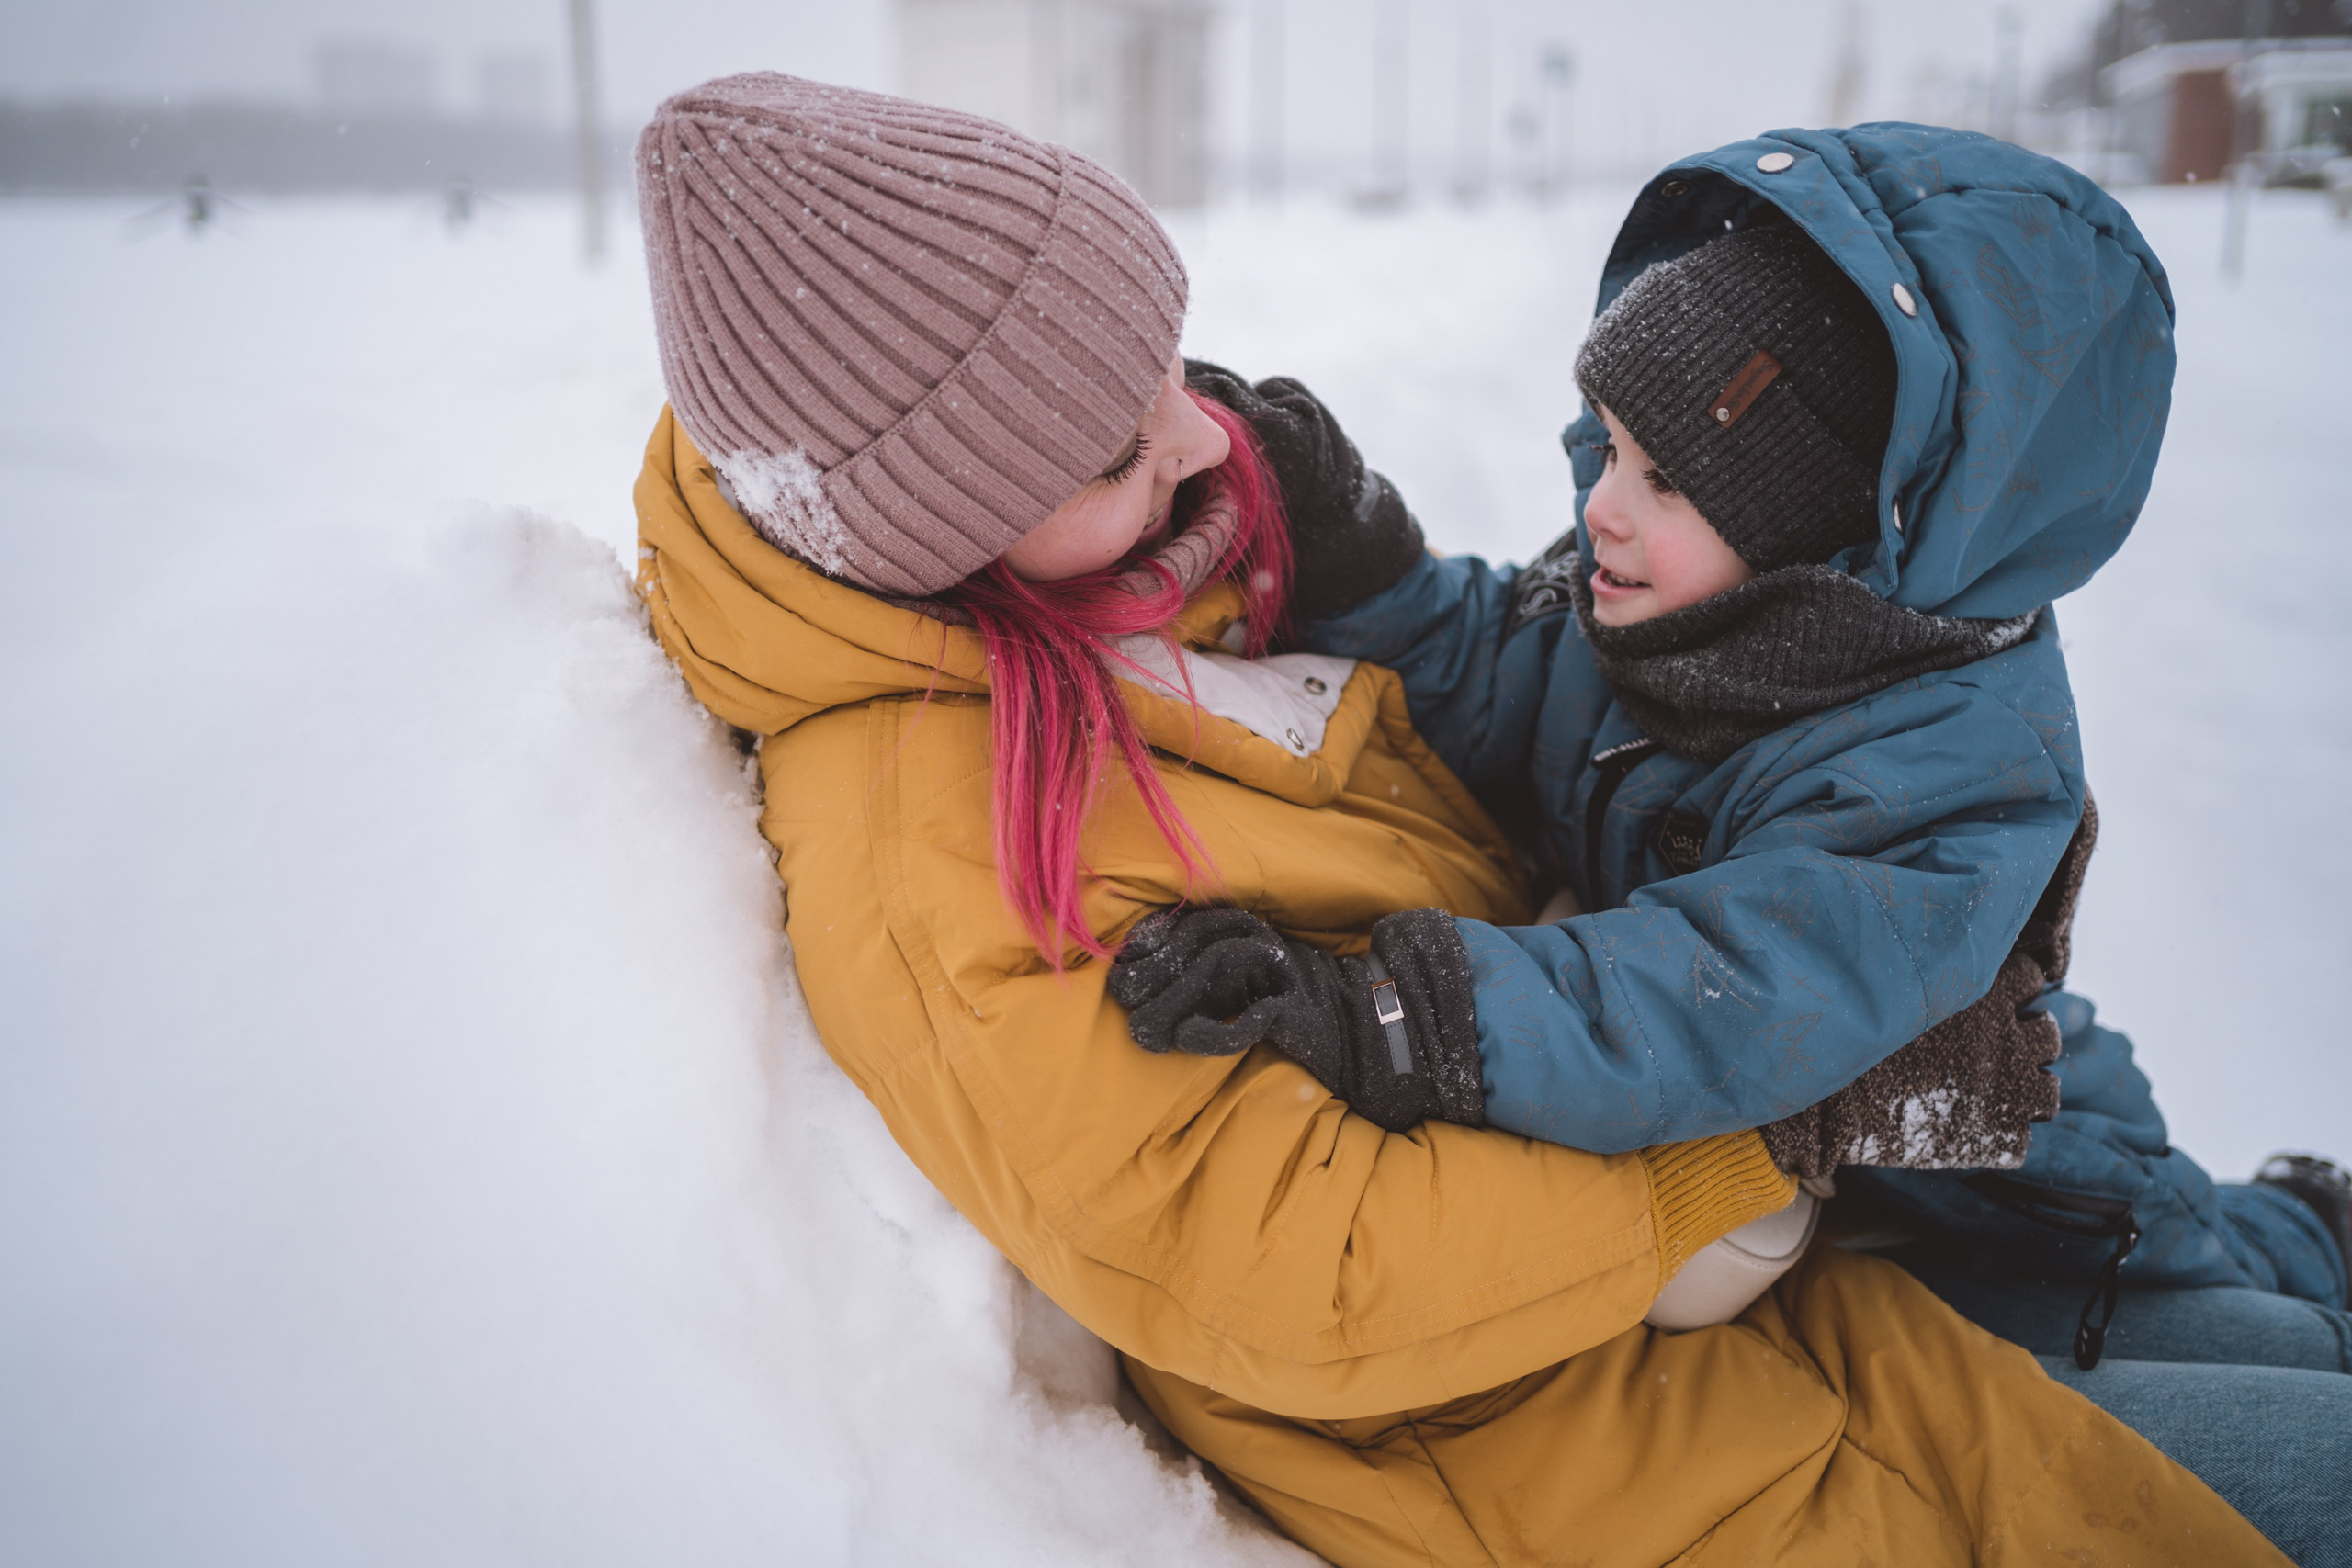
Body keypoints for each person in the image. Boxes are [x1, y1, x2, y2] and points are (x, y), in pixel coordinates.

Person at [630, 74, 2312, 1565]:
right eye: (1115, 446)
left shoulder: (1915, 746)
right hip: (1655, 1378)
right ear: (949, 513)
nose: (1204, 429)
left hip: (1956, 1165)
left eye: (1167, 366)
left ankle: (2302, 1229)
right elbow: (1309, 1256)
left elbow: (1702, 937)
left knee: (2215, 1268)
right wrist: (1431, 1008)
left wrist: (1422, 971)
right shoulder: (939, 838)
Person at [1127, 130, 2351, 1337]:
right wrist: (1358, 548)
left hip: (2029, 1158)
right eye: (1610, 447)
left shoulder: (1948, 775)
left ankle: (2311, 1227)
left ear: (1816, 539)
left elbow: (1713, 999)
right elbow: (1497, 672)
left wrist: (1399, 1013)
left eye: (1668, 482)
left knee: (2203, 1254)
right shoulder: (1663, 607)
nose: (1600, 507)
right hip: (1820, 1151)